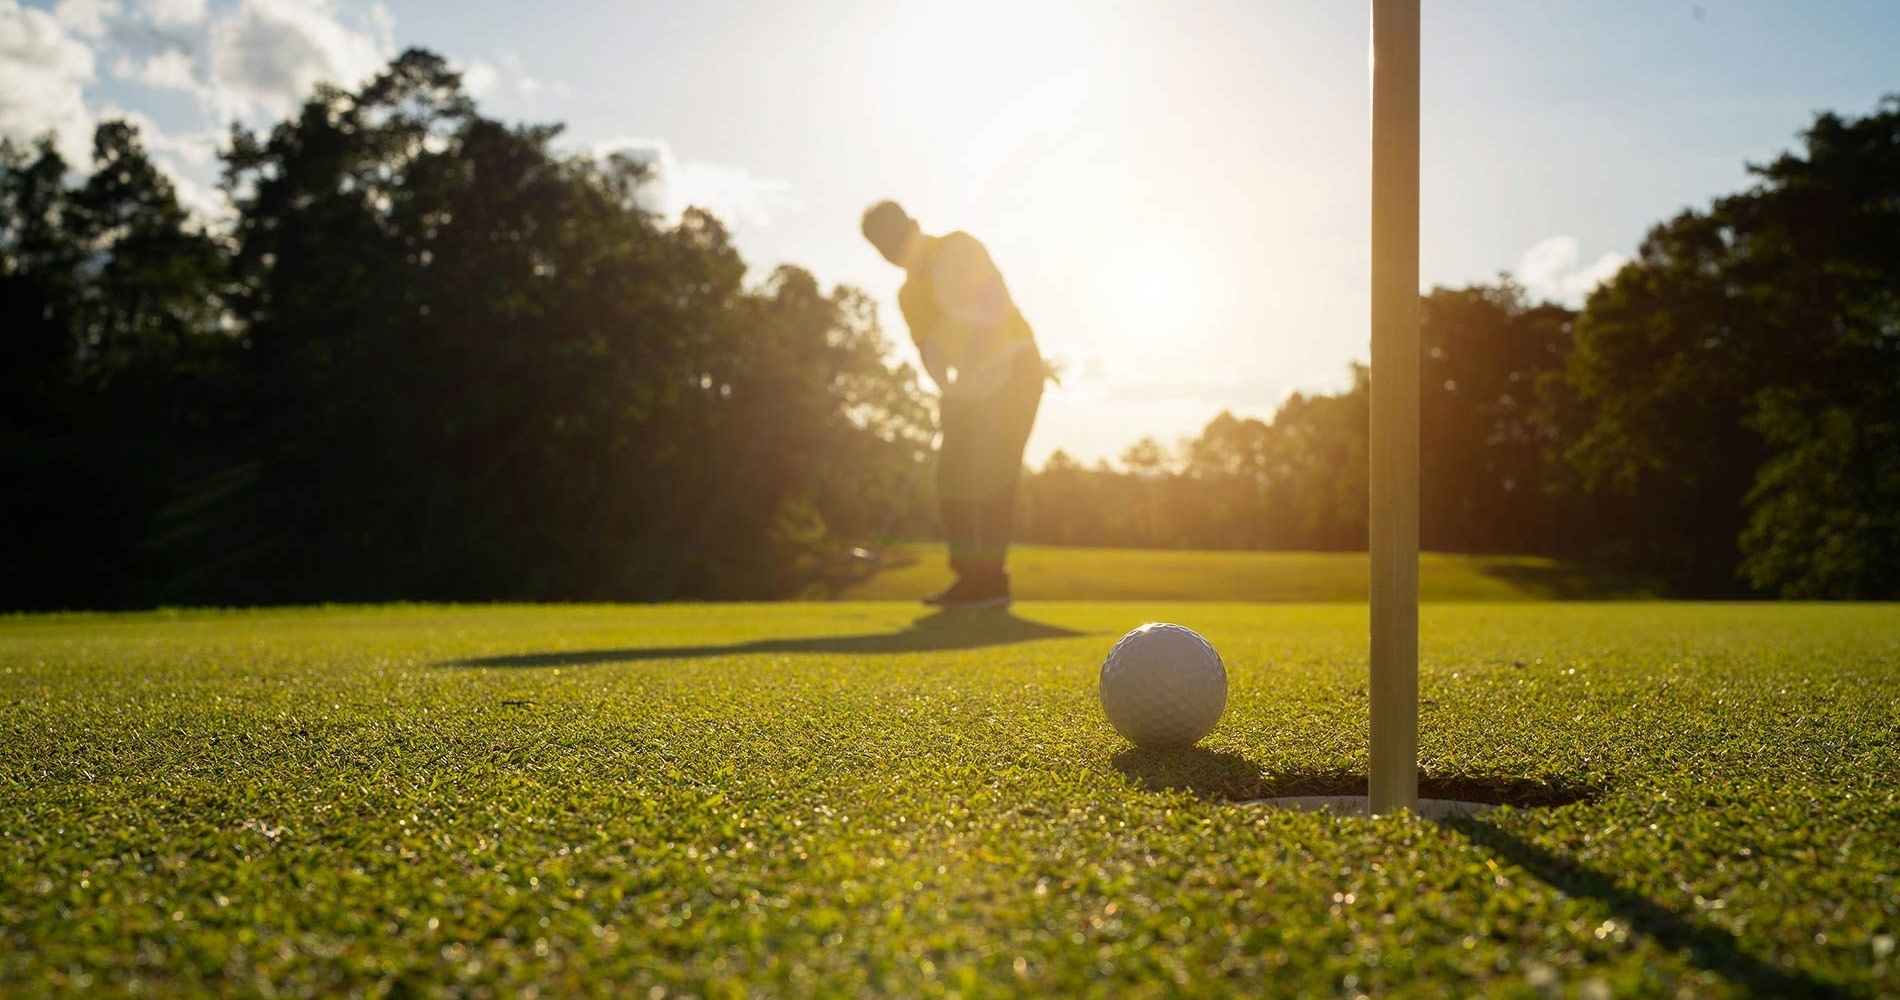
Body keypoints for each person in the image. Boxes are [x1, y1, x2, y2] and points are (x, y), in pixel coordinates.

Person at [861, 200, 1045, 610]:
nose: (894, 254)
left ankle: (992, 582)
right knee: (950, 476)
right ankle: (970, 579)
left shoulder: (959, 247)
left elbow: (992, 307)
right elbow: (929, 349)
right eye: (884, 250)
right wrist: (947, 386)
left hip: (1018, 369)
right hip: (970, 387)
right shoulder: (908, 295)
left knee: (997, 473)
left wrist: (972, 366)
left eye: (895, 240)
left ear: (914, 224)